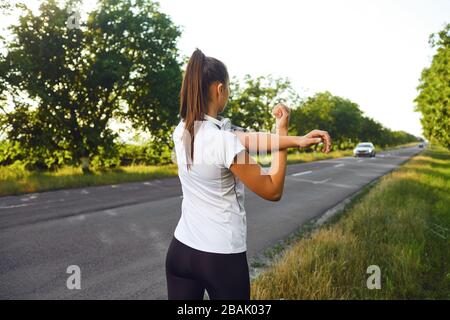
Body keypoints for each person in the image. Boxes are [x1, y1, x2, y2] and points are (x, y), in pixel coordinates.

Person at [165, 48, 331, 300]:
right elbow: (272, 189)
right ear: (219, 89)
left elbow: (246, 138)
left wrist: (291, 137)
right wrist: (285, 139)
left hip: (181, 252)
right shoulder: (223, 141)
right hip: (220, 258)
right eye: (228, 89)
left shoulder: (183, 130)